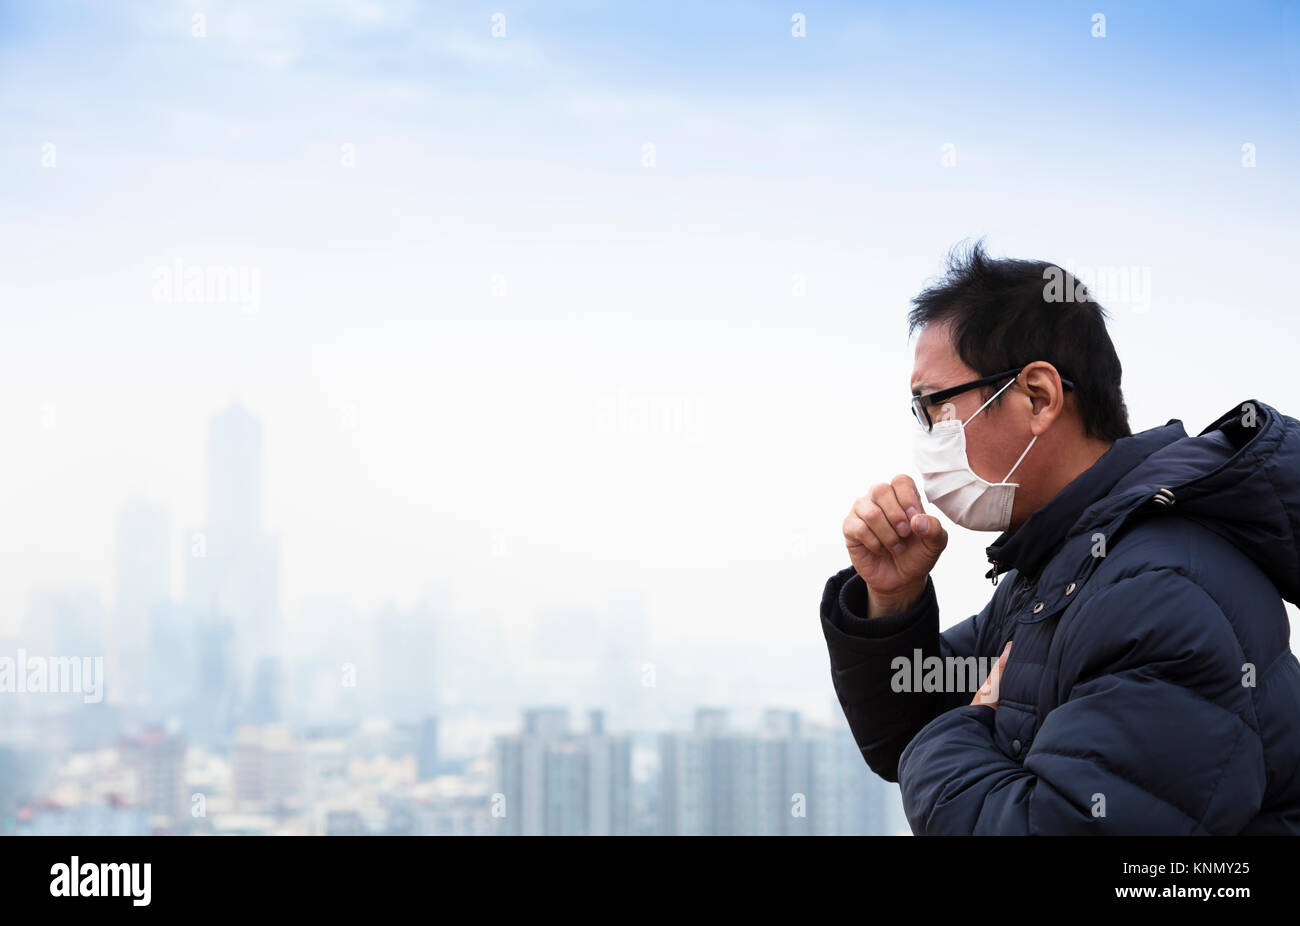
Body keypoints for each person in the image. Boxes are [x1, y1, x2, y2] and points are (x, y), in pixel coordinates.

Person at [820, 242, 1300, 834]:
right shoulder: (1062, 568)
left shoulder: (1156, 591)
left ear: (1039, 397)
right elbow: (906, 728)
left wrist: (968, 727)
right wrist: (892, 601)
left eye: (934, 406)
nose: (925, 437)